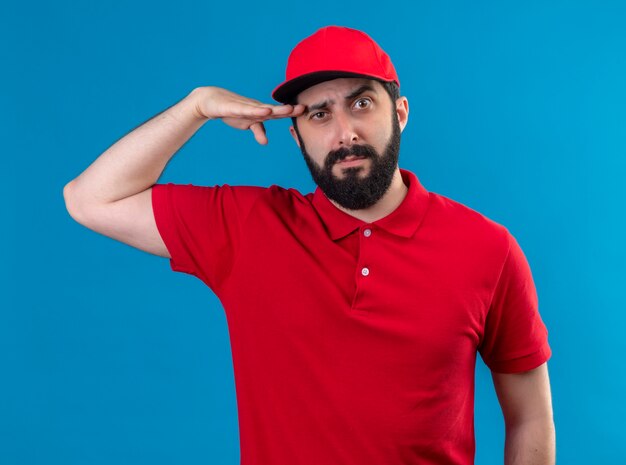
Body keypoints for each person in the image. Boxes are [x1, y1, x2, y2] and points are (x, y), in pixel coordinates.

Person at [64, 25, 555, 465]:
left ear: (400, 113)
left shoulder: (488, 249)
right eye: (319, 114)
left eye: (362, 103)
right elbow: (90, 199)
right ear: (297, 138)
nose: (345, 133)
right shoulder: (246, 227)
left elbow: (530, 417)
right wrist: (194, 109)